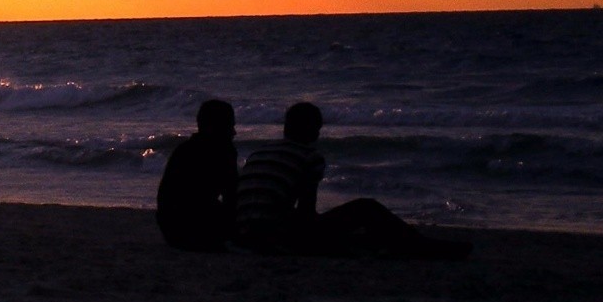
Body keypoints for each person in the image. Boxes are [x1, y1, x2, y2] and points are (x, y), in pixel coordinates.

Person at [235, 102, 470, 259]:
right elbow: (307, 211)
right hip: (277, 236)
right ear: (314, 131)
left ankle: (401, 244)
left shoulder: (259, 152)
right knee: (366, 208)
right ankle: (420, 247)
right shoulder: (309, 156)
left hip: (245, 231)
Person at [155, 99, 239, 251]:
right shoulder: (223, 152)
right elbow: (232, 195)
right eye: (230, 126)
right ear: (218, 127)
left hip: (171, 230)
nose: (234, 132)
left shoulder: (183, 149)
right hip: (197, 227)